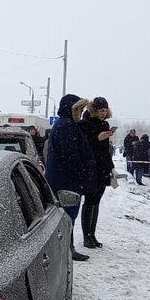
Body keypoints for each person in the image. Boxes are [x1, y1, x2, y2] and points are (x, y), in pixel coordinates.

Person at [44, 94, 100, 262]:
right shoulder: (67, 126)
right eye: (79, 109)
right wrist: (81, 172)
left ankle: (67, 247)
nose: (81, 112)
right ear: (71, 108)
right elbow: (71, 156)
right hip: (67, 181)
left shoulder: (65, 125)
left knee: (65, 215)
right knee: (67, 216)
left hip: (63, 179)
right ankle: (67, 248)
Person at [78, 96, 115, 249]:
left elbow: (105, 150)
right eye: (101, 110)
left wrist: (111, 166)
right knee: (89, 200)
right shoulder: (85, 124)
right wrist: (97, 138)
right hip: (91, 167)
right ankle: (86, 235)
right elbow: (84, 146)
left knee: (97, 201)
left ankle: (92, 234)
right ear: (94, 110)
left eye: (105, 111)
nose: (103, 113)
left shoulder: (105, 124)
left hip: (103, 167)